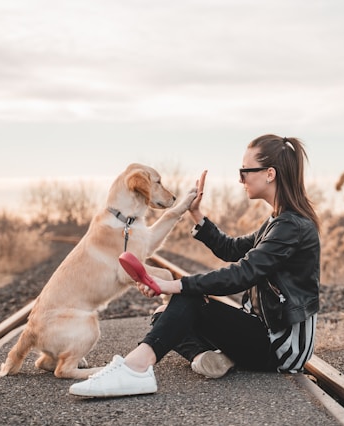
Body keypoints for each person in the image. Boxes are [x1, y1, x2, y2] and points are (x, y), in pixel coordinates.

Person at [69, 134, 321, 398]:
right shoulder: (278, 221)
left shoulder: (291, 226)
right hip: (262, 331)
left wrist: (175, 284)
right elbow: (232, 249)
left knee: (185, 302)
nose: (240, 179)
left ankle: (135, 368)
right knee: (164, 316)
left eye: (244, 171)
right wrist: (196, 214)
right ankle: (206, 357)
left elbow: (242, 273)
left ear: (269, 174)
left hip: (281, 346)